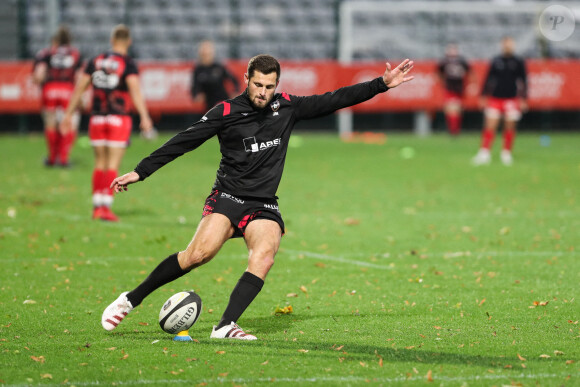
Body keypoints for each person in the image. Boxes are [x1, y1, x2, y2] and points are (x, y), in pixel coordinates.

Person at [101, 54, 414, 340]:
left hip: (262, 203)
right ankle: (130, 299)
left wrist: (382, 84)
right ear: (247, 80)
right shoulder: (225, 111)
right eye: (258, 84)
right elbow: (184, 141)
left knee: (265, 254)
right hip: (228, 196)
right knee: (198, 255)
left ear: (276, 85)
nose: (263, 91)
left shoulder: (287, 107)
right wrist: (140, 171)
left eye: (269, 85)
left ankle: (225, 326)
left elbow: (335, 99)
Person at [61, 24, 154, 222]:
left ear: (112, 40)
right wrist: (144, 117)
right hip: (119, 118)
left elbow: (79, 89)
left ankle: (97, 207)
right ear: (128, 42)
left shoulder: (95, 61)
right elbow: (135, 91)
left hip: (97, 117)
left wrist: (68, 114)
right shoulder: (127, 63)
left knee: (99, 163)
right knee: (112, 164)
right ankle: (107, 206)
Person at [472, 36, 528, 166]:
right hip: (495, 98)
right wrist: (483, 96)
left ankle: (506, 153)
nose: (508, 46)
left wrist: (523, 99)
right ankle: (484, 153)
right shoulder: (496, 60)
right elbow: (488, 79)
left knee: (509, 126)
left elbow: (524, 81)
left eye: (510, 44)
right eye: (506, 44)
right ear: (502, 45)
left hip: (511, 99)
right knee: (490, 124)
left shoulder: (518, 61)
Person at [32, 25, 82, 167]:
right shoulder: (75, 54)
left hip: (50, 89)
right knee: (68, 124)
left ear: (54, 40)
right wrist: (80, 97)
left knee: (51, 123)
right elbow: (79, 77)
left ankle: (52, 158)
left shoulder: (46, 53)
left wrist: (36, 79)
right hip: (68, 89)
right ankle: (64, 159)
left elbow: (39, 74)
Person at [191, 40, 240, 111]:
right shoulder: (198, 70)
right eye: (204, 53)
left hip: (223, 100)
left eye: (207, 53)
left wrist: (235, 91)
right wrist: (196, 95)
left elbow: (234, 80)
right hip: (209, 104)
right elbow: (194, 86)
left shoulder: (219, 67)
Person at [437, 43, 471, 136]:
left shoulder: (462, 61)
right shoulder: (444, 61)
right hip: (449, 88)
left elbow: (469, 72)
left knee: (456, 110)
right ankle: (453, 130)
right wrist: (442, 82)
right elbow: (438, 72)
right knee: (450, 109)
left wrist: (469, 84)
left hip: (459, 89)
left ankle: (455, 130)